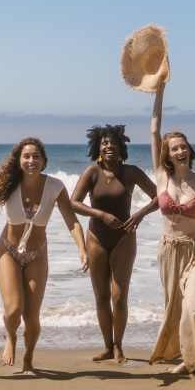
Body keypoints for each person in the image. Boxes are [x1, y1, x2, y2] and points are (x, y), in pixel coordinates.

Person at [0, 138, 87, 373]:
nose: (31, 160)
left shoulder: (55, 187)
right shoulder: (7, 184)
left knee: (32, 317)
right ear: (19, 160)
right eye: (26, 156)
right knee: (13, 310)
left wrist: (82, 249)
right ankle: (10, 336)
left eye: (36, 156)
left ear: (43, 161)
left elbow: (71, 221)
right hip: (8, 252)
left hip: (37, 254)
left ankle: (29, 359)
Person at [126, 81, 195, 383]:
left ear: (190, 150)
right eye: (174, 147)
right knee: (176, 308)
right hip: (168, 249)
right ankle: (185, 359)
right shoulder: (160, 177)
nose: (179, 150)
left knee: (194, 306)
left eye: (183, 146)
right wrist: (160, 91)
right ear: (168, 154)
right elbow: (154, 129)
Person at [70, 124, 157, 364]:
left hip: (124, 239)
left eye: (113, 143)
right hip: (96, 238)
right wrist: (100, 215)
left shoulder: (131, 173)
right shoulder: (92, 173)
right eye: (104, 143)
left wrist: (139, 215)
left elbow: (159, 197)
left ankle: (119, 345)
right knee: (101, 296)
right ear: (98, 147)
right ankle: (107, 346)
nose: (109, 146)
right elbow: (73, 202)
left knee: (119, 296)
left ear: (121, 148)